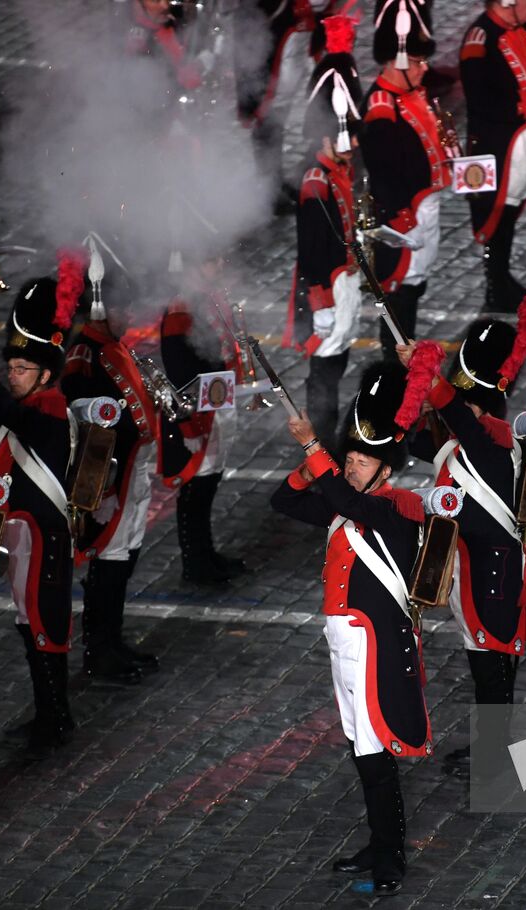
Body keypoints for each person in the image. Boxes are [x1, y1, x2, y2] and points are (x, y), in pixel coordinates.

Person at [270, 362, 432, 896]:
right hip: (345, 644)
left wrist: (315, 447)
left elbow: (347, 501)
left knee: (376, 750)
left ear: (387, 467)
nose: (356, 463)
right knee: (361, 748)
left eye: (365, 458)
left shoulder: (396, 510)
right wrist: (311, 460)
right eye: (352, 455)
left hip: (374, 646)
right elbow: (286, 502)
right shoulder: (350, 506)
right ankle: (380, 842)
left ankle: (391, 855)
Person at [397, 293, 526, 774]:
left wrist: (428, 372)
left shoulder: (489, 443)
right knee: (488, 666)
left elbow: (451, 410)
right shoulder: (473, 438)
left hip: (493, 573)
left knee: (491, 669)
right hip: (480, 567)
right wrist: (413, 376)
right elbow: (422, 436)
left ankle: (494, 756)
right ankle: (493, 746)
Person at [0, 261, 79, 750]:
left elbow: (3, 411)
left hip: (42, 539)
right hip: (25, 538)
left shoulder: (48, 407)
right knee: (31, 629)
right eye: (11, 368)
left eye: (22, 369)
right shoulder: (27, 409)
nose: (14, 375)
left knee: (44, 631)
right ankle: (51, 713)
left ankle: (55, 719)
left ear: (45, 372)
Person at [61, 237, 160, 685]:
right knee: (110, 560)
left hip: (133, 470)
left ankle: (112, 641)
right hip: (111, 477)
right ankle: (98, 652)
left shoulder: (111, 346)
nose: (128, 318)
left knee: (125, 557)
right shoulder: (86, 355)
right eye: (122, 310)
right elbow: (87, 425)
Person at [288, 16, 365, 442]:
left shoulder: (334, 173)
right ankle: (321, 447)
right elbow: (315, 249)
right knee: (325, 373)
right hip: (327, 293)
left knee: (334, 366)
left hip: (342, 285)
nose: (350, 145)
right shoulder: (316, 183)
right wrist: (319, 304)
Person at [363, 0, 451, 349]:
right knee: (401, 293)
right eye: (417, 61)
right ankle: (394, 364)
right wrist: (402, 216)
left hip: (424, 212)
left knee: (416, 286)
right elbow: (384, 169)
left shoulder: (409, 94)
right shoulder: (382, 107)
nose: (423, 69)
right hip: (406, 216)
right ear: (396, 59)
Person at [157, 262, 248, 587]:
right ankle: (195, 561)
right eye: (211, 262)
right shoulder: (182, 308)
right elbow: (180, 368)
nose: (219, 266)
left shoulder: (208, 297)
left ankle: (206, 552)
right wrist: (190, 420)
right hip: (200, 410)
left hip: (218, 401)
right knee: (196, 488)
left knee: (209, 484)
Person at [461, 0, 526, 314]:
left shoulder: (519, 28)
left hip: (517, 142)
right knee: (495, 213)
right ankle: (495, 285)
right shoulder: (480, 39)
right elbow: (480, 99)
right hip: (493, 144)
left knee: (510, 212)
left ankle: (501, 276)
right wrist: (521, 106)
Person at [234, 0, 329, 210]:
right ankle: (269, 189)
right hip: (266, 44)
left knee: (277, 118)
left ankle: (274, 181)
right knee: (265, 118)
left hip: (286, 46)